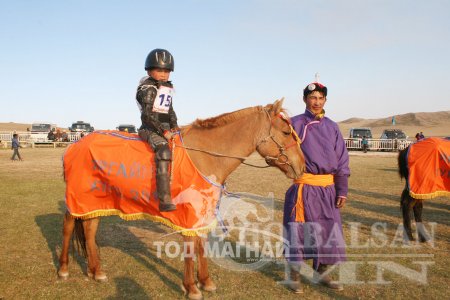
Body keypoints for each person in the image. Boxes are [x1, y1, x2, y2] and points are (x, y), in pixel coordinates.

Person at [283, 81, 350, 293]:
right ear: (305, 99)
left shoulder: (332, 127)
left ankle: (321, 274)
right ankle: (293, 275)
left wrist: (342, 189)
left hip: (327, 189)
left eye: (321, 98)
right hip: (304, 188)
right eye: (313, 98)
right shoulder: (293, 124)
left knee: (327, 231)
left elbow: (342, 160)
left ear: (325, 101)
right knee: (299, 232)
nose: (317, 102)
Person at [136, 48, 179, 212]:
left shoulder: (166, 88)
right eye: (159, 70)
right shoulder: (147, 88)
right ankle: (164, 199)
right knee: (164, 152)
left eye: (167, 71)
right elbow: (147, 116)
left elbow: (170, 111)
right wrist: (165, 132)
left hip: (165, 128)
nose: (163, 74)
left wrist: (175, 125)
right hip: (150, 129)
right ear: (149, 70)